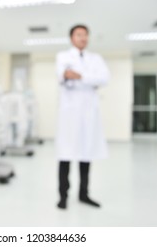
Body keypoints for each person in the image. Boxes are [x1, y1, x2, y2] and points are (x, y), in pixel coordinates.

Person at [55, 24, 110, 209]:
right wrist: (88, 78)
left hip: (88, 114)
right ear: (72, 38)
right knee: (65, 155)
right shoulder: (63, 57)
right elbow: (63, 75)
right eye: (79, 35)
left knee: (86, 155)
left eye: (85, 35)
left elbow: (104, 78)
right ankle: (63, 196)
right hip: (69, 115)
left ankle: (84, 194)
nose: (83, 38)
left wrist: (80, 76)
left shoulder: (96, 58)